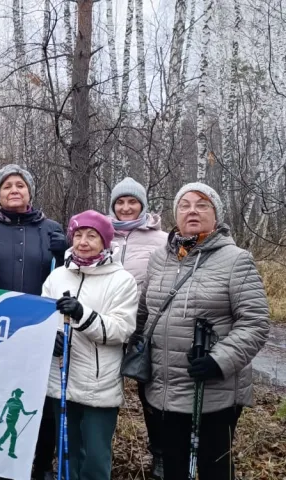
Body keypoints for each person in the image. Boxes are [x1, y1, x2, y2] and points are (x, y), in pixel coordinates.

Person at [131, 183, 269, 480]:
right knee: (173, 469)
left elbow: (255, 322)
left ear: (215, 215)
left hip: (213, 391)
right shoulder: (159, 259)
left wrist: (219, 360)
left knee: (214, 470)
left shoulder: (236, 259)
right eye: (185, 205)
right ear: (176, 214)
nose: (192, 211)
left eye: (202, 204)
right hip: (164, 390)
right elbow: (144, 315)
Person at [0, 164, 67, 480]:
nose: (14, 190)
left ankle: (42, 463)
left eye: (20, 185)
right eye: (7, 186)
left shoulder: (51, 229)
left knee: (41, 398)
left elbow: (69, 277)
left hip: (40, 328)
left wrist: (65, 253)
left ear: (29, 192)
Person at [42, 210, 138, 480]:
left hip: (98, 383)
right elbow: (43, 317)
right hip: (61, 378)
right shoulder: (57, 276)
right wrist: (48, 338)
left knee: (95, 459)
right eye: (78, 235)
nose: (83, 242)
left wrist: (82, 314)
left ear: (105, 241)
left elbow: (122, 329)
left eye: (92, 236)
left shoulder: (121, 280)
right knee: (67, 454)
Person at [108, 177, 167, 479]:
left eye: (132, 202)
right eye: (120, 202)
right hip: (107, 325)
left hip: (146, 328)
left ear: (143, 205)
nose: (126, 207)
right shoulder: (101, 234)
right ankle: (99, 449)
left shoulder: (162, 239)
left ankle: (160, 454)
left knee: (150, 393)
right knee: (103, 388)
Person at [0, 388, 36, 459]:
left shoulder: (20, 402)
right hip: (9, 419)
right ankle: (11, 452)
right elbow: (5, 408)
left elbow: (24, 413)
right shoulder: (11, 400)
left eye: (21, 393)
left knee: (7, 434)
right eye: (19, 393)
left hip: (14, 421)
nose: (20, 394)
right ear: (17, 393)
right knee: (14, 434)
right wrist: (1, 417)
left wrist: (32, 412)